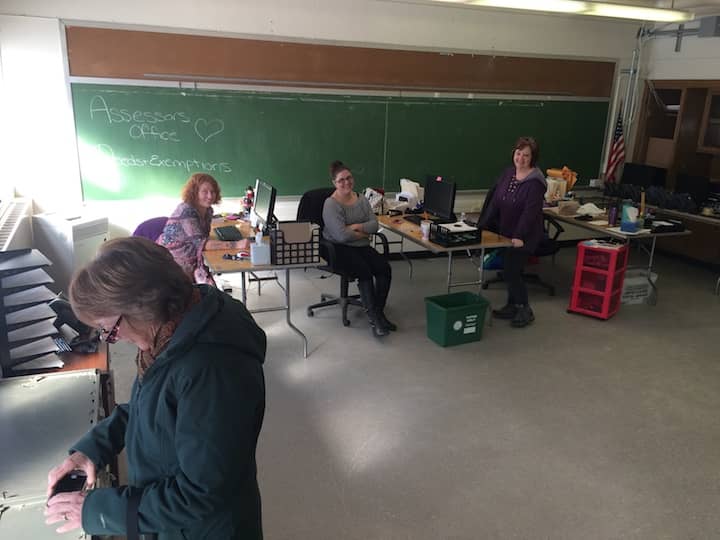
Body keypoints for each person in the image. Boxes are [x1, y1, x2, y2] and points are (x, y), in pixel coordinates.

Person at [45, 237, 266, 540]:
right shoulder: (169, 334)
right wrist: (92, 450)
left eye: (110, 330)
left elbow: (200, 494)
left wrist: (99, 510)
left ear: (141, 309)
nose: (115, 338)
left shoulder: (211, 369)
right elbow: (147, 407)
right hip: (171, 520)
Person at [479, 136, 547, 328]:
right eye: (518, 153)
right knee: (509, 268)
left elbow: (529, 214)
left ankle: (525, 309)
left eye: (526, 155)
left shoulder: (536, 183)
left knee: (511, 271)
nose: (521, 158)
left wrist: (518, 236)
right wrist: (482, 225)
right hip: (506, 231)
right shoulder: (508, 173)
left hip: (525, 234)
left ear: (533, 158)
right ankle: (512, 305)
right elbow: (495, 200)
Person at [322, 160, 395, 338]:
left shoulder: (361, 199)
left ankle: (378, 311)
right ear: (334, 183)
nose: (346, 183)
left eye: (349, 178)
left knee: (384, 268)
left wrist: (355, 227)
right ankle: (374, 319)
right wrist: (363, 231)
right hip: (338, 248)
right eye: (341, 180)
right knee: (364, 271)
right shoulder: (331, 204)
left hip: (360, 245)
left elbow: (374, 225)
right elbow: (340, 236)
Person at [158, 173, 249, 285]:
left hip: (193, 259)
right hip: (173, 263)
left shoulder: (207, 210)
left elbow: (202, 238)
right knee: (208, 292)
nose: (210, 196)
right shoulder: (187, 211)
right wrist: (236, 245)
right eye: (205, 192)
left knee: (211, 292)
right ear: (194, 193)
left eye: (213, 191)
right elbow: (202, 243)